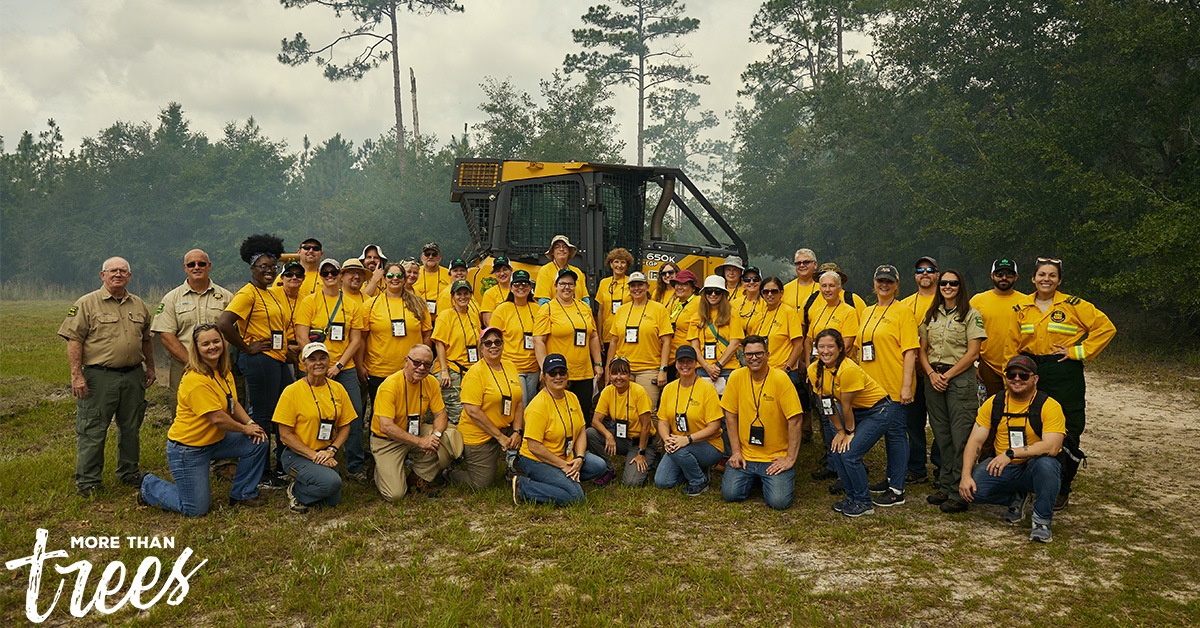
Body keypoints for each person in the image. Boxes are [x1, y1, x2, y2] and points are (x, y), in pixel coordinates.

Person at [1006, 257, 1115, 510]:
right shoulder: (1020, 308)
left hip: (1063, 370)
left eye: (1052, 275)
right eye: (1042, 275)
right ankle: (1026, 483)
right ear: (1032, 279)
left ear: (1059, 280)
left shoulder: (1074, 305)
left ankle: (1061, 488)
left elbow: (1105, 328)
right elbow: (1011, 346)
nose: (1046, 279)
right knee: (1028, 424)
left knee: (1067, 427)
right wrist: (1010, 377)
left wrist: (1078, 351)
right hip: (1029, 370)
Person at [138, 324, 269, 514]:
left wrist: (250, 424)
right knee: (195, 509)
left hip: (215, 441)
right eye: (205, 344)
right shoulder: (195, 379)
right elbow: (217, 418)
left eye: (216, 341)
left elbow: (233, 404)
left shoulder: (223, 371)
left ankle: (243, 492)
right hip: (188, 449)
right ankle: (149, 486)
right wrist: (244, 429)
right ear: (196, 349)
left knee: (258, 441)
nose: (212, 347)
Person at [59, 256, 155, 497]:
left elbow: (146, 339)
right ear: (102, 275)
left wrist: (151, 367)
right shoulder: (87, 303)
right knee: (92, 429)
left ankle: (129, 472)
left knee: (131, 427)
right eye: (112, 271)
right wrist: (76, 375)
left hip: (133, 376)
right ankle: (89, 481)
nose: (118, 274)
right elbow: (74, 339)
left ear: (130, 276)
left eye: (123, 271)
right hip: (99, 378)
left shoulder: (139, 305)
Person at [960, 356, 1065, 542]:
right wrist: (965, 476)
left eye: (1024, 375)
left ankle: (1041, 521)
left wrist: (1010, 454)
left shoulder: (1049, 405)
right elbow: (975, 441)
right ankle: (1016, 498)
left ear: (1035, 379)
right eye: (1011, 374)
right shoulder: (994, 402)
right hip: (1003, 468)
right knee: (971, 491)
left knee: (1048, 465)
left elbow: (1053, 446)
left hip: (1033, 467)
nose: (1017, 379)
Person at [218, 234, 292, 488]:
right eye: (264, 267)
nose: (270, 271)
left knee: (284, 412)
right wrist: (246, 348)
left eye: (274, 267)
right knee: (261, 416)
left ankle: (282, 465)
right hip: (260, 361)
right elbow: (224, 323)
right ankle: (259, 473)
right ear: (252, 269)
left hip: (277, 359)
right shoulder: (247, 294)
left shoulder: (272, 293)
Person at [809, 329, 907, 518]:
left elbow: (845, 407)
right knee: (837, 451)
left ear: (840, 349)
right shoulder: (815, 370)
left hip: (878, 411)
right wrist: (839, 431)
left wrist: (848, 432)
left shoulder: (849, 369)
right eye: (821, 347)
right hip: (856, 412)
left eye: (830, 346)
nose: (825, 351)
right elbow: (827, 404)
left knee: (850, 454)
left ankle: (863, 502)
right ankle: (851, 497)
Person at [294, 258, 368, 484]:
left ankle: (355, 466)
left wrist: (338, 365)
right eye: (325, 272)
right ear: (320, 275)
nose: (329, 275)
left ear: (340, 274)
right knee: (310, 417)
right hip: (311, 368)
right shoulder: (309, 302)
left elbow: (355, 341)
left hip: (343, 368)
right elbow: (301, 335)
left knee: (353, 416)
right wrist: (315, 364)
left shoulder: (352, 305)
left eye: (333, 271)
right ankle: (310, 461)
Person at [919, 269, 986, 513]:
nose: (948, 286)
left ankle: (960, 490)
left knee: (961, 436)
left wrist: (946, 376)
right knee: (942, 435)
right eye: (944, 283)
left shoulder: (971, 314)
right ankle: (946, 486)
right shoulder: (931, 314)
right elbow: (922, 350)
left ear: (961, 286)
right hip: (934, 378)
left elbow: (973, 353)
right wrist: (931, 374)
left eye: (953, 283)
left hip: (958, 380)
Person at [854, 265, 917, 503]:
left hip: (893, 384)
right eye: (881, 280)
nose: (884, 285)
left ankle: (897, 489)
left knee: (896, 434)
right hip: (870, 386)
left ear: (897, 285)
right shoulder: (867, 311)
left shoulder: (903, 312)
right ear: (874, 282)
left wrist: (906, 386)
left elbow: (910, 351)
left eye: (889, 281)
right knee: (885, 435)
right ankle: (891, 478)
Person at [720, 335, 804, 510]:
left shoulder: (781, 379)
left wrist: (790, 459)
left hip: (775, 457)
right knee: (730, 494)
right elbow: (730, 416)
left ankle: (766, 478)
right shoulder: (736, 377)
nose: (754, 358)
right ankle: (756, 478)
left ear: (767, 354)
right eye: (749, 354)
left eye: (758, 353)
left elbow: (795, 420)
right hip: (745, 456)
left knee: (778, 502)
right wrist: (735, 452)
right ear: (743, 358)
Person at [512, 354, 608, 505]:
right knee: (576, 497)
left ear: (567, 374)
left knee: (600, 466)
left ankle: (562, 479)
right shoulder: (538, 406)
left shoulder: (572, 397)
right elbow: (534, 446)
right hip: (538, 459)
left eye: (562, 372)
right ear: (543, 376)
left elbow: (582, 430)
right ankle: (523, 487)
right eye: (553, 373)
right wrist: (563, 466)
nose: (558, 377)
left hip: (567, 455)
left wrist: (580, 459)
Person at [151, 249, 234, 420]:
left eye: (201, 263)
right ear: (185, 268)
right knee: (183, 409)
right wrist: (192, 362)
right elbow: (166, 335)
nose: (196, 267)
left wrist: (219, 359)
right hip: (184, 365)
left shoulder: (226, 297)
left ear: (209, 266)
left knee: (222, 407)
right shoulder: (171, 298)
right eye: (191, 264)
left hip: (219, 365)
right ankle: (183, 446)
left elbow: (232, 332)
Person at [371, 344, 462, 499]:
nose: (421, 368)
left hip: (415, 431)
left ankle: (419, 477)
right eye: (416, 362)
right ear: (406, 360)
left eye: (427, 364)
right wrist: (421, 443)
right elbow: (385, 427)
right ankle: (378, 468)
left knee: (450, 437)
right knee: (395, 495)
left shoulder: (431, 382)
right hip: (388, 440)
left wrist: (436, 436)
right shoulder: (390, 385)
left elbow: (441, 414)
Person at [273, 343, 355, 513]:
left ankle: (310, 481)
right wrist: (316, 456)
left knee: (332, 501)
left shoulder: (338, 388)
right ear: (303, 364)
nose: (318, 363)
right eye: (312, 359)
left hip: (326, 452)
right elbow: (285, 436)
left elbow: (346, 426)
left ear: (329, 361)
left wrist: (332, 450)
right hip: (297, 454)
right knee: (331, 484)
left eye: (322, 358)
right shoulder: (291, 391)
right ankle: (296, 491)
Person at [449, 327, 525, 489]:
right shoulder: (475, 373)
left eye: (497, 342)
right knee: (481, 484)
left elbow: (518, 401)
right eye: (488, 343)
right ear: (481, 348)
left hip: (506, 427)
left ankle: (516, 468)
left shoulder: (510, 366)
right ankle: (449, 472)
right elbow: (472, 411)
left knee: (530, 427)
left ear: (503, 345)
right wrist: (500, 437)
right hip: (479, 434)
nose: (493, 346)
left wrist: (517, 432)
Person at [654, 346, 724, 495]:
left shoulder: (707, 389)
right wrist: (667, 439)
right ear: (676, 364)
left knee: (680, 450)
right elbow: (663, 421)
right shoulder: (669, 388)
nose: (685, 365)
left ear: (696, 364)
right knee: (663, 482)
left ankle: (699, 480)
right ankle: (692, 468)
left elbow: (714, 426)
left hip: (708, 445)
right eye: (681, 361)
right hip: (678, 445)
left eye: (689, 361)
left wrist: (687, 440)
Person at [534, 268, 603, 418]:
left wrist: (598, 363)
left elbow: (593, 336)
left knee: (582, 413)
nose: (567, 287)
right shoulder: (547, 309)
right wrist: (544, 368)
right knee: (559, 415)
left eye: (571, 284)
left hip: (584, 372)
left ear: (575, 287)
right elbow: (539, 340)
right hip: (558, 374)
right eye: (563, 283)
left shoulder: (584, 308)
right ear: (555, 286)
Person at [360, 261, 433, 400]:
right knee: (379, 414)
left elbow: (427, 334)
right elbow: (362, 338)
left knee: (407, 411)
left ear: (404, 279)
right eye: (390, 275)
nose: (395, 278)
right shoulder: (370, 304)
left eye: (399, 275)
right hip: (378, 370)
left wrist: (423, 363)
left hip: (411, 369)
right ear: (384, 279)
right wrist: (360, 366)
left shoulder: (418, 304)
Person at [587, 357, 659, 487]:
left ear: (629, 375)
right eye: (614, 373)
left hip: (641, 442)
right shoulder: (607, 391)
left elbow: (646, 425)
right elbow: (596, 421)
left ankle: (650, 458)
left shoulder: (639, 392)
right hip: (621, 437)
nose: (618, 377)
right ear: (609, 375)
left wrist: (641, 452)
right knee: (590, 433)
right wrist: (608, 435)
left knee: (631, 483)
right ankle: (609, 470)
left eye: (623, 373)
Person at [901, 255, 941, 485]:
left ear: (937, 274)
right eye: (920, 270)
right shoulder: (905, 304)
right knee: (913, 423)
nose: (924, 273)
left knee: (939, 423)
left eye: (930, 270)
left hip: (938, 371)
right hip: (913, 372)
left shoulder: (947, 300)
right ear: (915, 276)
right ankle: (916, 468)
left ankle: (941, 468)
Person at [606, 272, 672, 410]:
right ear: (629, 289)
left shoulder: (659, 309)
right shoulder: (622, 310)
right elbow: (614, 341)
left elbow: (666, 341)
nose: (636, 289)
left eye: (640, 285)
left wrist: (663, 370)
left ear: (647, 287)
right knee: (623, 410)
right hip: (623, 370)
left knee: (648, 410)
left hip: (648, 370)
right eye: (633, 286)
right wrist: (609, 369)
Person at [970, 258, 1026, 397]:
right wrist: (973, 366)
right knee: (991, 409)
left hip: (1019, 364)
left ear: (1016, 277)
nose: (1004, 278)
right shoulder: (977, 301)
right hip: (988, 365)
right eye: (999, 274)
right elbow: (965, 335)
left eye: (1009, 274)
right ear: (992, 275)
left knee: (1018, 406)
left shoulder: (1027, 301)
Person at [432, 279, 482, 425]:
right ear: (452, 296)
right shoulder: (446, 315)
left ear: (471, 295)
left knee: (472, 411)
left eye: (466, 293)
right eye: (458, 294)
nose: (462, 297)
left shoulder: (473, 316)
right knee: (457, 415)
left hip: (470, 371)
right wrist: (444, 370)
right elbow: (439, 344)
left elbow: (478, 343)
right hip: (452, 371)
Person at [489, 270, 542, 404]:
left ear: (530, 287)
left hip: (533, 367)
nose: (521, 287)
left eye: (525, 284)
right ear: (511, 288)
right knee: (521, 404)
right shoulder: (502, 310)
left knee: (531, 404)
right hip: (512, 367)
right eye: (517, 284)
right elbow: (492, 341)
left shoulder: (538, 310)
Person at [689, 275, 745, 396]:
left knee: (728, 409)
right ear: (704, 294)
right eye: (709, 291)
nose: (713, 294)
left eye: (717, 291)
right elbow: (694, 346)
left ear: (723, 294)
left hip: (728, 368)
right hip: (704, 370)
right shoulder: (696, 316)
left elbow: (734, 343)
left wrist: (718, 365)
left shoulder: (733, 314)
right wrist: (707, 367)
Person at [802, 270, 860, 369]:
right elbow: (808, 340)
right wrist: (809, 364)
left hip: (840, 367)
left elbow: (847, 345)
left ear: (839, 287)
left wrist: (829, 364)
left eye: (831, 286)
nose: (827, 290)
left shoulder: (849, 311)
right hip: (817, 366)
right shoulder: (817, 311)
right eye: (824, 286)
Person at [664, 269, 701, 379]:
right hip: (672, 358)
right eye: (677, 284)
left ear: (693, 288)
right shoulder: (676, 302)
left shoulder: (699, 302)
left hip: (688, 361)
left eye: (684, 284)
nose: (679, 287)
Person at [534, 235, 591, 305]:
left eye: (565, 247)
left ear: (569, 251)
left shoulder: (577, 272)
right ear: (552, 252)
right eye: (557, 247)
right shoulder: (545, 271)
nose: (561, 249)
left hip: (577, 314)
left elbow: (585, 299)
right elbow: (543, 301)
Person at [596, 247, 634, 348]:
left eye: (623, 262)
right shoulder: (604, 283)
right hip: (607, 334)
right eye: (616, 262)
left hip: (626, 334)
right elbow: (600, 312)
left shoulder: (632, 283)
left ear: (627, 265)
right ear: (611, 264)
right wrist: (599, 336)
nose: (619, 265)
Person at [414, 242, 450, 315]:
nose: (430, 257)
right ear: (421, 257)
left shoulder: (449, 274)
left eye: (434, 254)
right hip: (419, 316)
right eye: (427, 254)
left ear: (440, 258)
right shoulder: (414, 274)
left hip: (443, 317)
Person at [479, 256, 514, 327]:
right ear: (494, 273)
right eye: (498, 271)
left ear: (511, 270)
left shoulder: (519, 291)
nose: (502, 274)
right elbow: (487, 322)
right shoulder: (490, 294)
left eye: (505, 269)